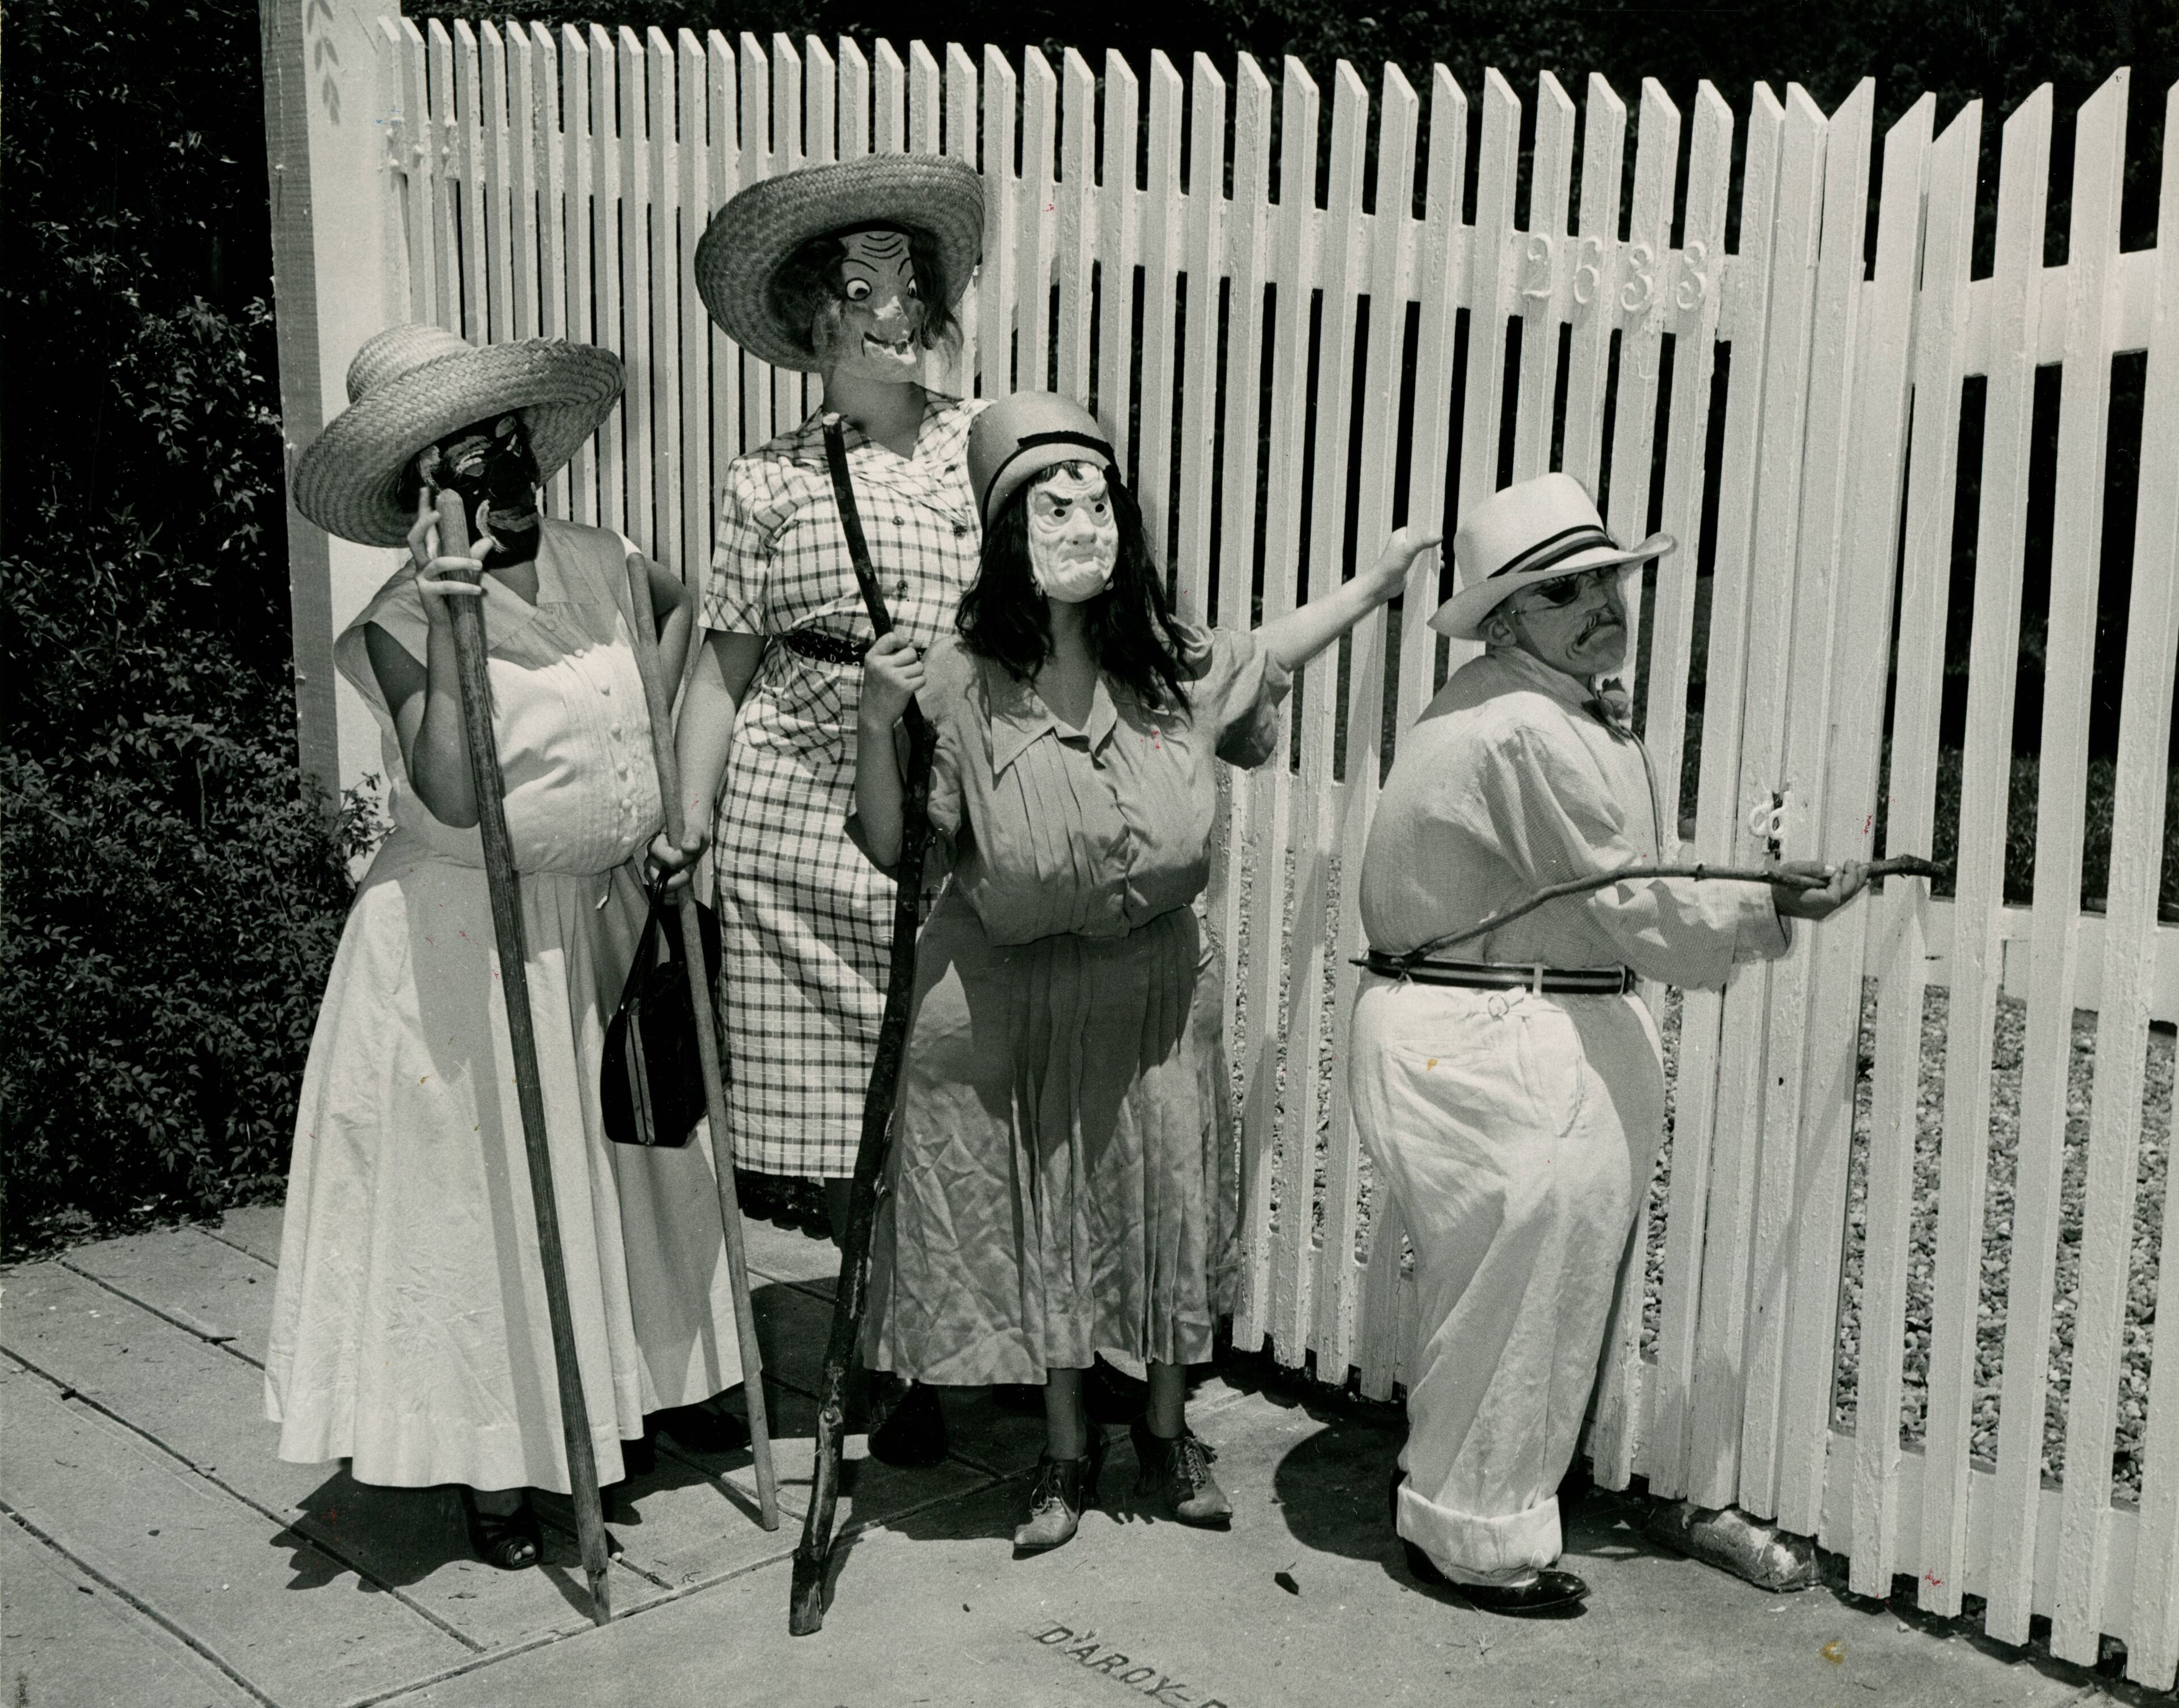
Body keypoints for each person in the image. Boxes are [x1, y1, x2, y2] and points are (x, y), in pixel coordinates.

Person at [851, 392, 1442, 1553]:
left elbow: (1272, 647)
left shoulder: (1170, 666)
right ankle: (1065, 1452)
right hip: (1017, 995)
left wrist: (1374, 587)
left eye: (1096, 498)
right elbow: (893, 849)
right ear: (1007, 530)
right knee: (1052, 1210)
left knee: (1170, 1198)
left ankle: (1168, 1434)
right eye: (1049, 501)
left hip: (1159, 994)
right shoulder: (955, 681)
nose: (1080, 518)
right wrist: (877, 723)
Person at [269, 324, 748, 1571]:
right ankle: (495, 1463)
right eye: (460, 464)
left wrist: (653, 785)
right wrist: (454, 622)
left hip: (591, 918)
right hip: (463, 946)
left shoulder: (603, 558)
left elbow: (684, 613)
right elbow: (456, 798)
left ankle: (606, 1406)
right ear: (420, 493)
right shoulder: (395, 622)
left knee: (616, 1175)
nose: (499, 478)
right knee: (483, 1208)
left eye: (506, 447)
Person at [1348, 472, 1868, 1613]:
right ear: (1503, 618)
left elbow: (1614, 872)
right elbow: (1632, 897)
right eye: (1562, 591)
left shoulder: (1535, 704)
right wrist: (1776, 907)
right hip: (1502, 1026)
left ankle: (1449, 1488)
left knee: (1493, 1284)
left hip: (1478, 1016)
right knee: (1529, 1284)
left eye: (1607, 582)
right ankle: (1472, 1536)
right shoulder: (1534, 726)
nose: (1600, 604)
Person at [664, 154, 988, 1465]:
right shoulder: (768, 482)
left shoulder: (985, 448)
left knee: (944, 1084)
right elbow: (720, 670)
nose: (894, 316)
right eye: (862, 292)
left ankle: (936, 1328)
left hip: (950, 814)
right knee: (852, 1119)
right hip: (798, 822)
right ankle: (880, 1344)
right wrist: (685, 826)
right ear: (813, 321)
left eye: (913, 288)